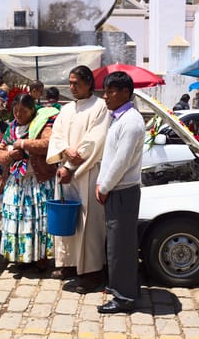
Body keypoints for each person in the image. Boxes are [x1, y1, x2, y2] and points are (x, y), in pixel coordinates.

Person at [46, 65, 111, 293]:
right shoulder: (66, 109)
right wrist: (65, 151)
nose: (72, 87)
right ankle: (70, 265)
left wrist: (72, 165)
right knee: (66, 219)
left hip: (87, 172)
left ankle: (92, 272)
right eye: (70, 82)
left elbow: (95, 140)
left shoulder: (100, 107)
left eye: (76, 83)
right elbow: (57, 135)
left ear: (89, 84)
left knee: (88, 222)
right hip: (66, 172)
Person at [95, 71, 145, 314]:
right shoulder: (121, 118)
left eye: (110, 91)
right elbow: (111, 156)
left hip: (121, 191)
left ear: (126, 93)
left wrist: (104, 187)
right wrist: (101, 183)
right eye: (105, 91)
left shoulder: (131, 122)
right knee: (117, 244)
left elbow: (121, 162)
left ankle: (124, 298)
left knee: (120, 247)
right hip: (117, 190)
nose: (105, 97)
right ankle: (122, 287)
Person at [0, 93, 59, 269]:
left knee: (38, 222)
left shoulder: (42, 124)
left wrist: (23, 144)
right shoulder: (12, 128)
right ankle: (22, 256)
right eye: (15, 111)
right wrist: (9, 154)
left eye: (23, 111)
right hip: (17, 184)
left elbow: (48, 144)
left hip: (37, 183)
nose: (18, 115)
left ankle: (40, 258)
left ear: (32, 110)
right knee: (19, 220)